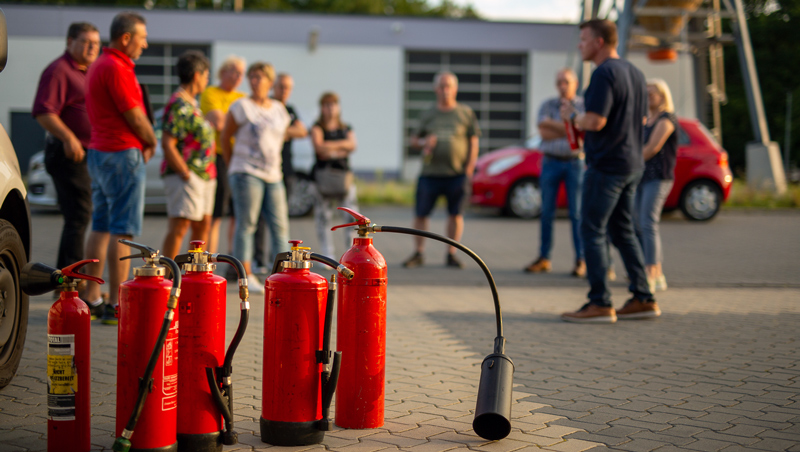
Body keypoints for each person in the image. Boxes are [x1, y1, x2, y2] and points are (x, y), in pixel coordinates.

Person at [559, 19, 657, 323]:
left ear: (599, 42)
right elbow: (640, 120)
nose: (580, 44)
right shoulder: (636, 73)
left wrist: (573, 116)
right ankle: (644, 298)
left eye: (584, 38)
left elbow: (596, 121)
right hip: (632, 164)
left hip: (606, 167)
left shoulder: (603, 73)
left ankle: (599, 302)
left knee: (591, 229)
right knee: (623, 230)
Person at [82, 11, 156, 325]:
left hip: (99, 151)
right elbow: (135, 115)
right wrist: (152, 139)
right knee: (122, 230)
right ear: (125, 38)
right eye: (142, 38)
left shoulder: (99, 64)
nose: (146, 44)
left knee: (100, 224)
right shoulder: (117, 66)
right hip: (121, 152)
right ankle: (116, 304)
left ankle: (90, 295)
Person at [31, 22, 100, 294]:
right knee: (79, 216)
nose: (92, 47)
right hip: (67, 154)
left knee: (79, 217)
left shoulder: (87, 72)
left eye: (96, 43)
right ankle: (68, 285)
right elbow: (44, 111)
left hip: (86, 155)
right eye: (85, 41)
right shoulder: (60, 70)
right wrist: (69, 137)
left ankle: (67, 282)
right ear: (69, 41)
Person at [221, 62, 291, 293]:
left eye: (259, 77)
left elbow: (286, 134)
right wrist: (234, 165)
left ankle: (283, 274)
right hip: (246, 172)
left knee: (280, 225)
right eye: (251, 76)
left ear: (270, 82)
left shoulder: (279, 109)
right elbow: (225, 137)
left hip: (273, 173)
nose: (254, 81)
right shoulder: (241, 106)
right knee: (247, 224)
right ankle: (246, 275)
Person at [403, 71, 480, 269]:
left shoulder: (465, 113)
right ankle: (419, 252)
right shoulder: (428, 114)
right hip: (430, 174)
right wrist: (423, 142)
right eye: (441, 86)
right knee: (421, 214)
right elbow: (413, 141)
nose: (445, 91)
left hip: (456, 174)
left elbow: (473, 141)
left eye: (449, 86)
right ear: (435, 89)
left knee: (455, 215)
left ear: (455, 89)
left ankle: (451, 253)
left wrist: (469, 168)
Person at [524, 68, 586, 277]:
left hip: (574, 163)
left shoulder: (583, 105)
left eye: (566, 82)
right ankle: (544, 258)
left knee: (576, 213)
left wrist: (557, 126)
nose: (562, 86)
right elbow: (543, 130)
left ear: (575, 83)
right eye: (559, 82)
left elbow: (582, 134)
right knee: (547, 212)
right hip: (551, 162)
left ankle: (581, 259)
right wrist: (569, 126)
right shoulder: (548, 104)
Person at [159, 51, 216, 259]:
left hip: (204, 175)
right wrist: (185, 173)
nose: (207, 80)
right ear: (196, 75)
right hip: (186, 175)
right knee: (180, 227)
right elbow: (168, 143)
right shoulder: (179, 104)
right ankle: (168, 276)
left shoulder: (192, 102)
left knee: (203, 226)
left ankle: (195, 275)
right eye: (206, 75)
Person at [635, 79, 678, 293]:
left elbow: (652, 148)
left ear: (663, 96)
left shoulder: (666, 119)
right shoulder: (645, 120)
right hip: (641, 177)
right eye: (647, 93)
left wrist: (628, 162)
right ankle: (657, 272)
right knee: (637, 224)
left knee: (648, 223)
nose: (650, 96)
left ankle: (651, 273)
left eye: (654, 93)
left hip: (658, 177)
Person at [200, 56, 245, 256]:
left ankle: (233, 258)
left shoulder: (243, 97)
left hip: (241, 159)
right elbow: (219, 123)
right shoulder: (211, 92)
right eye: (234, 71)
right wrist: (239, 123)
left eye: (241, 73)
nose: (238, 76)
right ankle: (209, 259)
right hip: (219, 157)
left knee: (238, 214)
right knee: (215, 214)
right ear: (223, 72)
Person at [310, 92, 358, 259]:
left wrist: (329, 147)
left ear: (338, 107)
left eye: (333, 105)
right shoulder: (317, 127)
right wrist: (341, 148)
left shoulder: (346, 128)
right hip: (322, 179)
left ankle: (350, 254)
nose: (330, 109)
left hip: (343, 178)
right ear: (321, 108)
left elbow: (352, 145)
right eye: (326, 105)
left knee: (350, 218)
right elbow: (319, 148)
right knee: (323, 218)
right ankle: (326, 255)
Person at [273, 73, 308, 194]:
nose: (284, 91)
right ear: (274, 86)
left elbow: (302, 131)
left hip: (286, 164)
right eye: (281, 87)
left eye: (287, 88)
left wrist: (278, 132)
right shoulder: (268, 105)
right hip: (269, 165)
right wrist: (287, 132)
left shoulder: (290, 109)